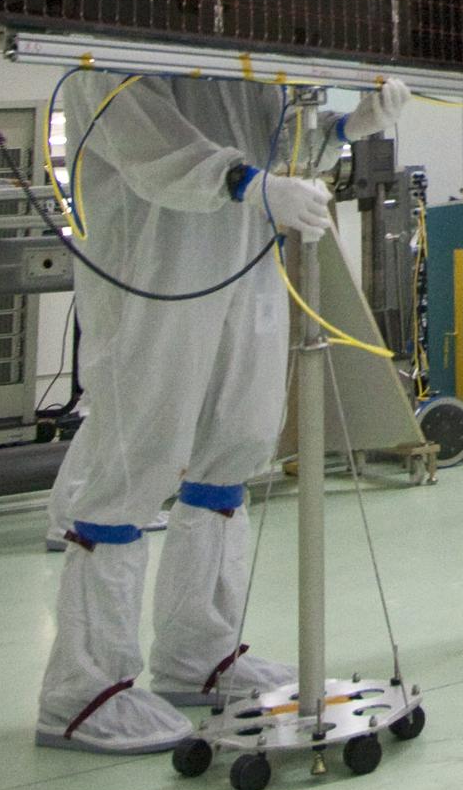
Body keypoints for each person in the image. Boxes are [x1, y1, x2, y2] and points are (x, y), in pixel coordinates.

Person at [34, 72, 403, 754]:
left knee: (236, 444)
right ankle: (83, 692)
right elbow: (151, 149)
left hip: (246, 256)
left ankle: (200, 655)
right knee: (134, 462)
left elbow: (280, 148)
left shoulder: (243, 52)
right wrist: (248, 184)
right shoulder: (112, 47)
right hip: (153, 271)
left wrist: (346, 131)